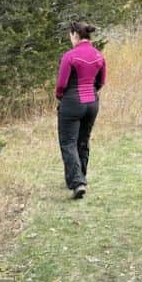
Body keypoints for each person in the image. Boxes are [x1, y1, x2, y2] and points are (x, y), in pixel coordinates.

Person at [55, 20, 106, 200]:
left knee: (68, 142)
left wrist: (61, 97)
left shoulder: (70, 56)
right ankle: (81, 177)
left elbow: (61, 84)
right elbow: (101, 82)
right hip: (92, 103)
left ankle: (77, 182)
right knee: (83, 141)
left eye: (70, 36)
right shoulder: (99, 56)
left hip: (72, 102)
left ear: (75, 35)